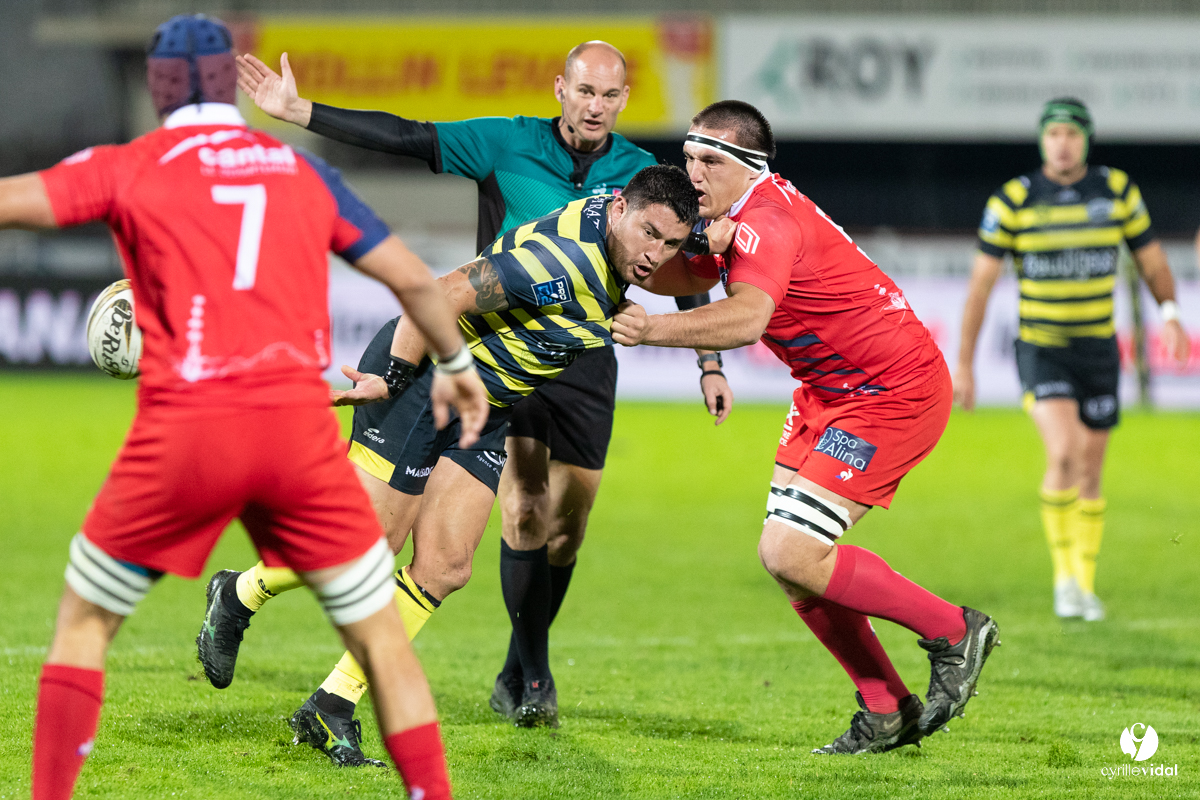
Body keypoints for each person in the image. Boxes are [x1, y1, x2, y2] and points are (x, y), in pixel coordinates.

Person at [0, 15, 490, 799]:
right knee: (382, 639)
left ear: (158, 87)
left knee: (85, 624)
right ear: (230, 86)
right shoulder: (301, 173)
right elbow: (408, 277)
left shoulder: (131, 163)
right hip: (294, 434)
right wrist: (457, 366)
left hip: (185, 433)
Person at [222, 41, 734, 736]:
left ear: (623, 100)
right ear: (561, 89)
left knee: (447, 564)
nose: (655, 254)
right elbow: (435, 272)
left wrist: (709, 339)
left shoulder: (643, 188)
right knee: (371, 548)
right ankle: (241, 592)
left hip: (501, 388)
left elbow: (682, 262)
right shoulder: (552, 243)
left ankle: (332, 705)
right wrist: (390, 378)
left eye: (610, 95)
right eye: (585, 90)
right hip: (432, 373)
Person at [611, 101, 1000, 755]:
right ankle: (887, 708)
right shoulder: (729, 218)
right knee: (796, 567)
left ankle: (954, 630)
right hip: (829, 394)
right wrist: (628, 250)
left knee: (790, 551)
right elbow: (678, 271)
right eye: (689, 157)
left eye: (710, 160)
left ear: (749, 167)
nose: (694, 173)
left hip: (889, 393)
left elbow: (747, 320)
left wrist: (649, 328)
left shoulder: (767, 221)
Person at [955, 97, 1189, 621]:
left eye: (1072, 134)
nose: (1062, 143)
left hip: (1098, 349)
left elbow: (1152, 261)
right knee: (1063, 454)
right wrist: (965, 363)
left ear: (1086, 140)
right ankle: (1065, 580)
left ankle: (1084, 583)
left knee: (1090, 470)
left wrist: (1171, 313)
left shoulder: (1117, 191)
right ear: (1042, 140)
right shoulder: (1014, 199)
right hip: (1042, 349)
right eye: (1053, 134)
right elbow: (980, 286)